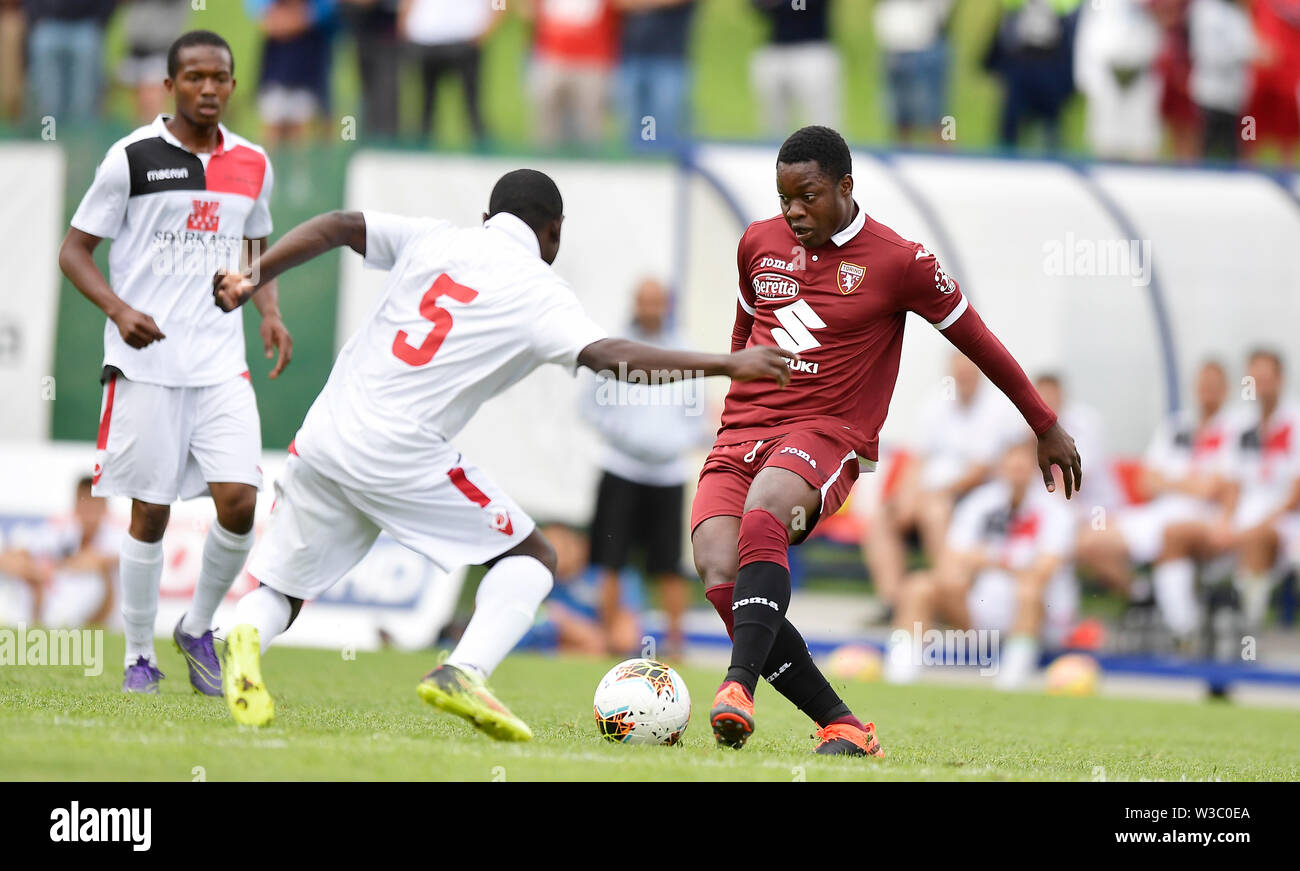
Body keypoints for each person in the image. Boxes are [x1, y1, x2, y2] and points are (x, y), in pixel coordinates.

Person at [210, 168, 793, 739]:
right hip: (398, 448)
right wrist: (726, 363)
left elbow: (337, 224)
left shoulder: (436, 237)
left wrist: (253, 274)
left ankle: (243, 638)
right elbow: (609, 356)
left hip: (326, 433)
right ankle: (463, 672)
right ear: (554, 234)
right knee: (533, 558)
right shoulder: (538, 289)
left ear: (485, 218)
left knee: (283, 588)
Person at [692, 126, 1081, 757]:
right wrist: (733, 417)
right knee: (716, 567)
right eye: (785, 197)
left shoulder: (900, 261)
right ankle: (843, 725)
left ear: (846, 187)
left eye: (808, 196)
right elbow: (744, 334)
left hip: (828, 433)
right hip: (743, 431)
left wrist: (1044, 424)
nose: (793, 212)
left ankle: (737, 685)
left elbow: (977, 339)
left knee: (766, 513)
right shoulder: (757, 242)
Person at [57, 30, 293, 695]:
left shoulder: (253, 162)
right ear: (170, 86)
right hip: (147, 365)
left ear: (234, 84)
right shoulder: (129, 158)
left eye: (220, 77)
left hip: (222, 364)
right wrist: (117, 309)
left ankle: (195, 626)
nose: (209, 88)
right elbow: (73, 251)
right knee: (150, 514)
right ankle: (138, 655)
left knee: (241, 503)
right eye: (194, 77)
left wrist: (266, 308)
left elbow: (255, 247)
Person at [580, 278, 711, 656]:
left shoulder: (685, 350)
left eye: (657, 302)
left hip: (667, 474)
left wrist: (677, 442)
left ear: (666, 304)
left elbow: (695, 414)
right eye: (645, 302)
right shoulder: (613, 347)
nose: (651, 309)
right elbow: (590, 406)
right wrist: (622, 432)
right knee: (611, 559)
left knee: (668, 564)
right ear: (635, 303)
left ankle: (674, 646)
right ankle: (606, 641)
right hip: (621, 467)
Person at [887, 438, 1077, 690]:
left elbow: (1044, 569)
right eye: (1011, 464)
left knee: (1029, 588)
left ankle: (1012, 680)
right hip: (979, 611)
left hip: (1037, 613)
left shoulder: (1056, 510)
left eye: (1023, 466)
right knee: (919, 586)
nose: (1016, 472)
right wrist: (1008, 561)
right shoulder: (981, 501)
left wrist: (985, 558)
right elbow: (952, 557)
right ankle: (899, 674)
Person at [1076, 361, 1234, 644]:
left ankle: (1185, 632)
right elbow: (1145, 482)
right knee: (1089, 540)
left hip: (1207, 519)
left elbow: (1220, 488)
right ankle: (1144, 595)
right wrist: (1192, 484)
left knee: (1171, 535)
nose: (1207, 390)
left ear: (1226, 390)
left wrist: (1171, 482)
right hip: (1159, 512)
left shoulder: (1236, 429)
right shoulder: (1177, 425)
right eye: (1203, 383)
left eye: (1214, 385)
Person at [866, 352, 1018, 610]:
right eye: (959, 373)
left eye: (969, 373)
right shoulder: (936, 403)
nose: (963, 378)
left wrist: (935, 494)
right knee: (883, 518)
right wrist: (906, 497)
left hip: (972, 496)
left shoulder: (996, 409)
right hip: (931, 494)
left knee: (935, 513)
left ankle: (946, 598)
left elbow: (980, 470)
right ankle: (893, 602)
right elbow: (917, 459)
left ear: (979, 373)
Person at [0, 477, 119, 629]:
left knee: (93, 578)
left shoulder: (117, 536)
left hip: (110, 621)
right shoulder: (61, 533)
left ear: (104, 508)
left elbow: (95, 561)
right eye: (86, 505)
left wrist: (53, 567)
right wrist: (35, 572)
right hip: (61, 613)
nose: (90, 514)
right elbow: (10, 558)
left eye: (95, 506)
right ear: (76, 505)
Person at [1074, 0, 1163, 161]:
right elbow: (1087, 30)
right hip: (1106, 70)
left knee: (1143, 143)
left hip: (1142, 70)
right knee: (1106, 141)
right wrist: (1086, 74)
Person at [400, 0, 495, 145]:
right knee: (424, 107)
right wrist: (404, 19)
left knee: (473, 108)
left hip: (465, 38)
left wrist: (489, 25)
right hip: (425, 37)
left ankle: (483, 155)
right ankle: (421, 156)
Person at [526, 0, 620, 148]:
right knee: (546, 122)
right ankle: (544, 163)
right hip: (552, 58)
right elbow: (529, 11)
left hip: (592, 62)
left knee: (590, 124)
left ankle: (592, 165)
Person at [246, 0, 337, 146]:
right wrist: (280, 20)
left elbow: (321, 12)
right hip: (276, 67)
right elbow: (265, 17)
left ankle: (301, 168)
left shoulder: (319, 9)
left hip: (308, 66)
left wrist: (301, 18)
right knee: (272, 123)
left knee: (302, 126)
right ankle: (269, 167)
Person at [750, 0, 840, 137]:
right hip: (775, 48)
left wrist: (781, 4)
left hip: (813, 50)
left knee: (821, 130)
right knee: (773, 127)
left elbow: (807, 5)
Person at [615, 0, 696, 149]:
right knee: (637, 124)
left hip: (669, 59)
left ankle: (664, 159)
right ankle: (642, 160)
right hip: (633, 56)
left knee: (666, 121)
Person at [873, 0, 954, 144]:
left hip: (926, 44)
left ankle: (949, 161)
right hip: (893, 46)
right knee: (900, 119)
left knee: (937, 118)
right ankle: (902, 155)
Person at [1189, 0, 1258, 160]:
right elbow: (1209, 54)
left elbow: (1247, 41)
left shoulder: (1238, 11)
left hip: (1238, 97)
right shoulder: (1206, 10)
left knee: (1241, 147)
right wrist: (1247, 53)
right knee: (1206, 149)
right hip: (1211, 95)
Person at [116, 0, 191, 123]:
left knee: (153, 108)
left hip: (161, 48)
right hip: (136, 48)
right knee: (139, 113)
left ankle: (164, 140)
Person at [340, 0, 401, 140]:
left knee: (386, 97)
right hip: (361, 30)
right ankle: (364, 139)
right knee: (363, 95)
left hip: (387, 34)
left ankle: (386, 144)